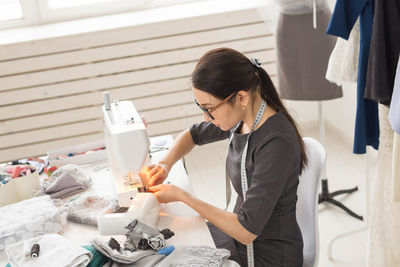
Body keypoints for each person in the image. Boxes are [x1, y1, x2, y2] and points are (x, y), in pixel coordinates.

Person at [143, 48, 307, 266]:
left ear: (240, 97)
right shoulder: (242, 117)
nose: (206, 118)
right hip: (238, 236)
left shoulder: (276, 144)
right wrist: (165, 163)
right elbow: (192, 135)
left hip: (268, 255)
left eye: (209, 109)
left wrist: (184, 197)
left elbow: (247, 231)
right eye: (201, 108)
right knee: (171, 241)